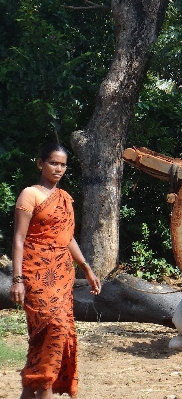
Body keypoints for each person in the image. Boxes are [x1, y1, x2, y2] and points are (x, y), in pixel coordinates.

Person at [9, 142, 102, 399]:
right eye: (53, 163)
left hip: (61, 274)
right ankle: (45, 390)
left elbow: (67, 237)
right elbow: (18, 239)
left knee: (53, 335)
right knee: (53, 328)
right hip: (35, 272)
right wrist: (17, 280)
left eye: (62, 164)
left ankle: (34, 390)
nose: (58, 168)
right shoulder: (30, 195)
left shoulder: (64, 198)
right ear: (40, 164)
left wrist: (86, 267)